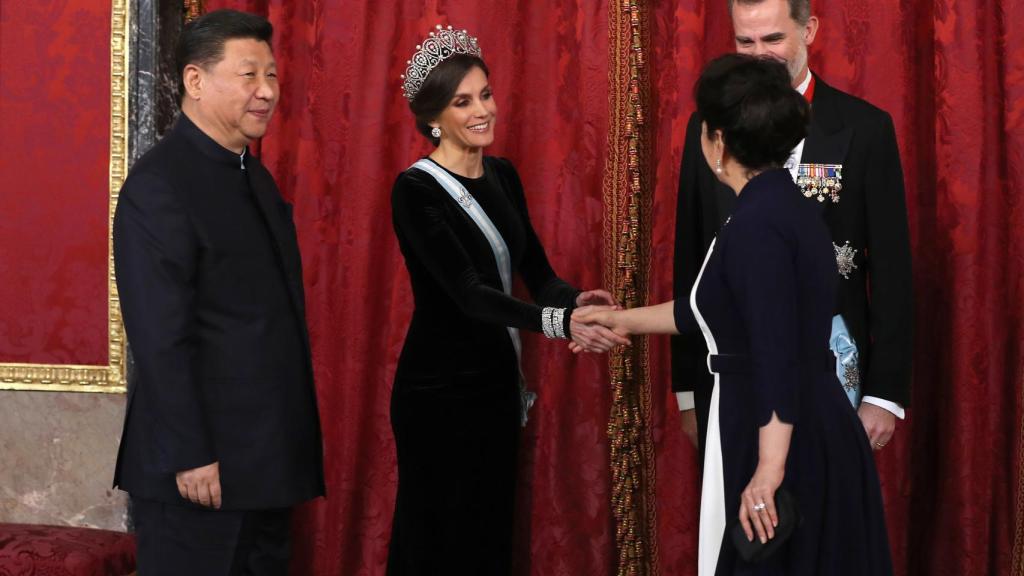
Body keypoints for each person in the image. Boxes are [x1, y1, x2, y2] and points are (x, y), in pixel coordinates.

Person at [575, 54, 893, 575]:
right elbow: (722, 310)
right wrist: (622, 321)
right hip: (803, 417)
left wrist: (769, 469)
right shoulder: (779, 203)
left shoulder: (756, 224)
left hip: (781, 428)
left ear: (717, 141)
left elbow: (772, 352)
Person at [388, 25, 627, 575]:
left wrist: (574, 302)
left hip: (496, 388)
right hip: (438, 393)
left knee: (488, 536)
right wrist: (562, 324)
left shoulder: (502, 174)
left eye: (486, 95)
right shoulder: (415, 189)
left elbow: (538, 274)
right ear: (433, 118)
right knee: (438, 539)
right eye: (462, 101)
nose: (482, 111)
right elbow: (472, 296)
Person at [112, 10, 324, 574]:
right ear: (195, 81)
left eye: (272, 76)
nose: (266, 92)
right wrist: (192, 454)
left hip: (265, 465)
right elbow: (160, 337)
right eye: (249, 74)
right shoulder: (159, 185)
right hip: (199, 473)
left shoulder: (252, 174)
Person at [671, 0, 913, 453]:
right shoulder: (706, 128)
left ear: (809, 31)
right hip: (730, 369)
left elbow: (892, 270)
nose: (760, 55)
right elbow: (692, 255)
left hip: (833, 366)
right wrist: (688, 389)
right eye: (746, 41)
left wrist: (885, 395)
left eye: (773, 39)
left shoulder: (865, 128)